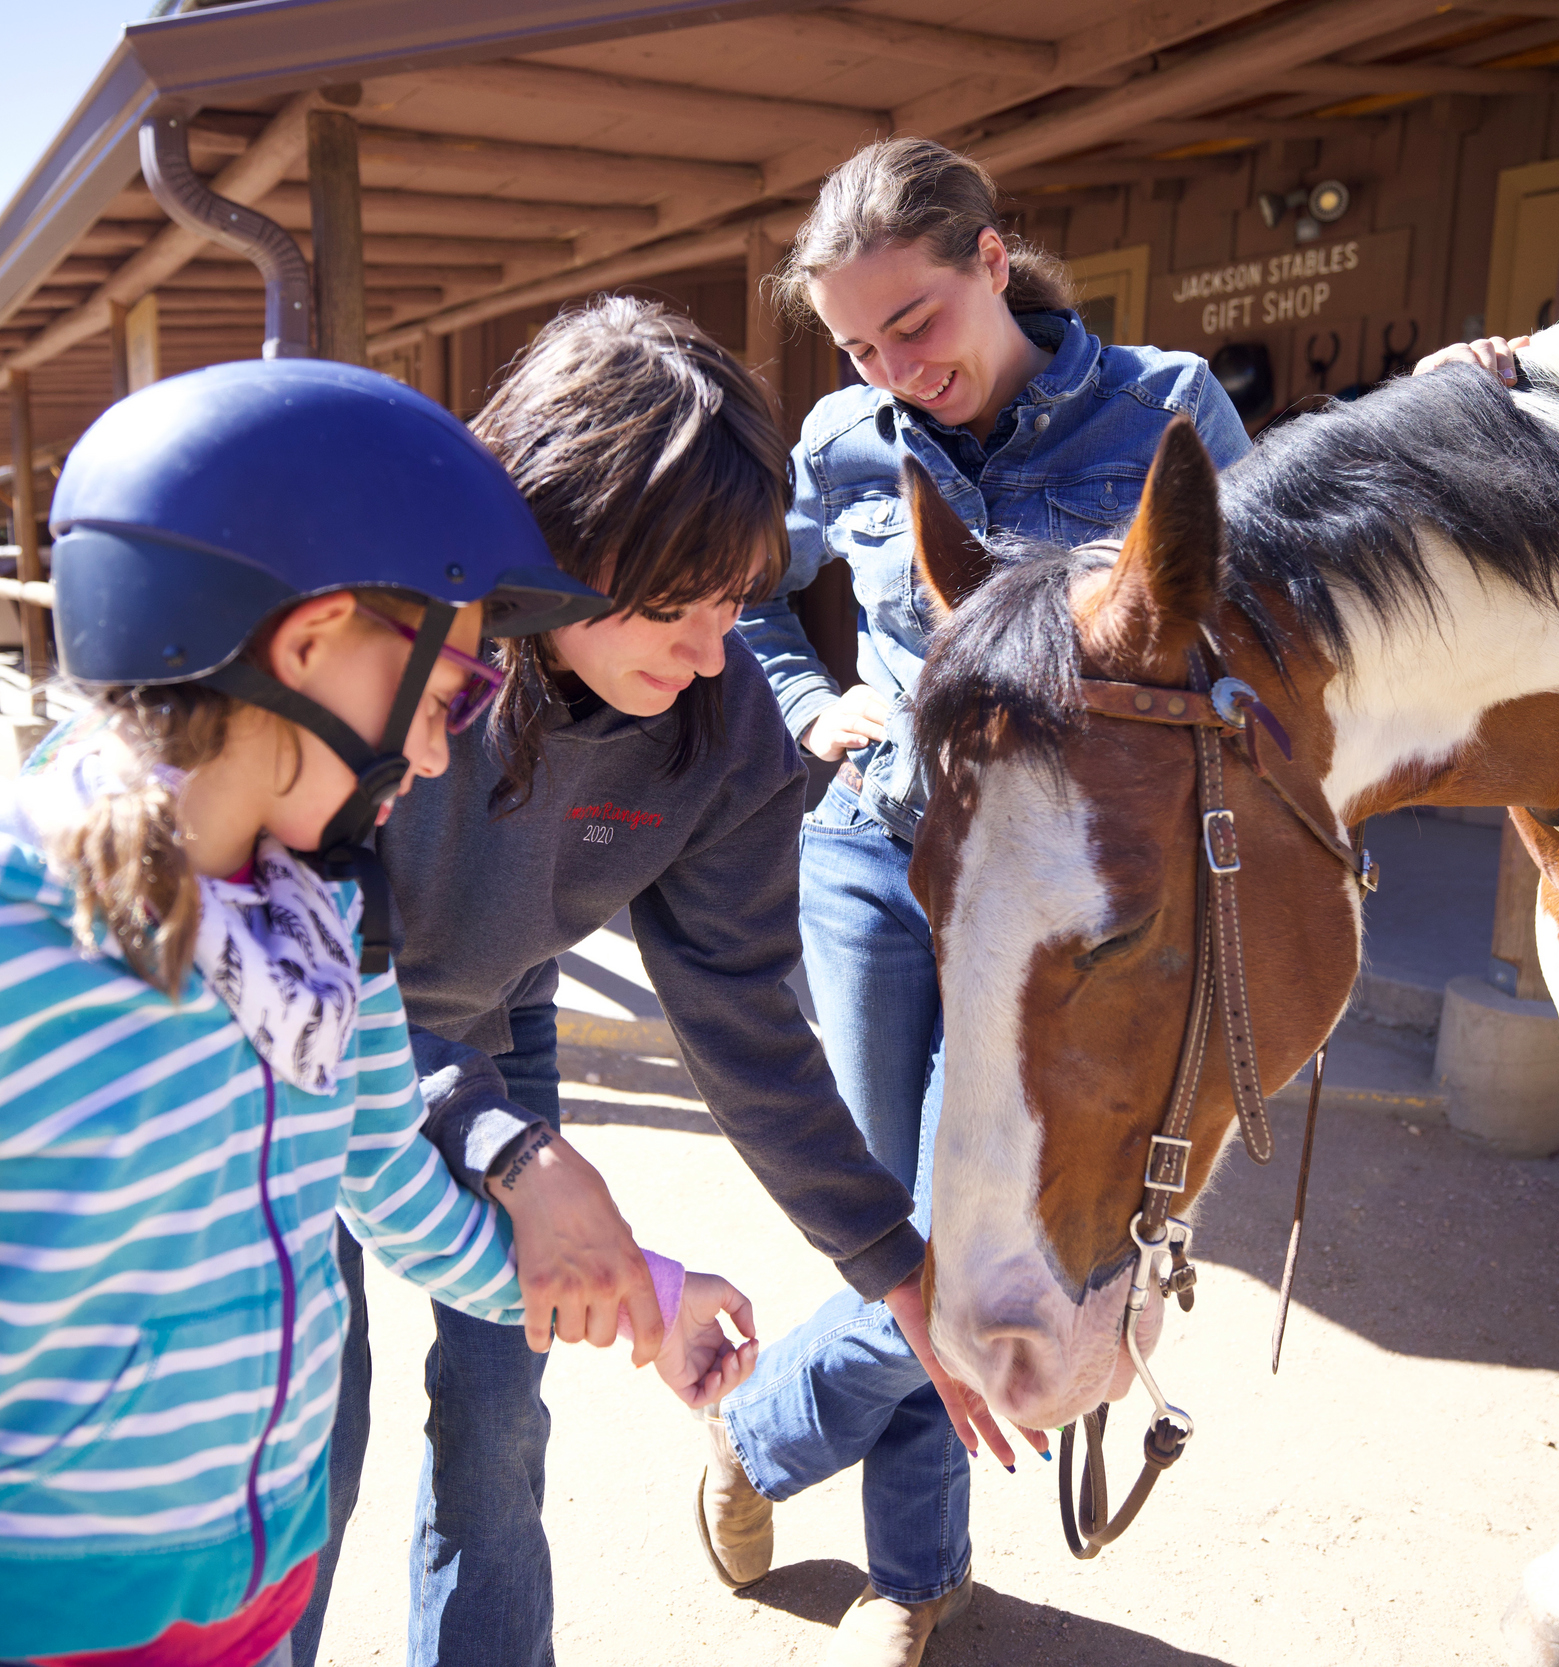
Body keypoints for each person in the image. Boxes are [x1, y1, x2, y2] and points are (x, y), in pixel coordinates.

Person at [0, 360, 755, 1667]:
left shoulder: (319, 923)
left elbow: (384, 1177)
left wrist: (643, 1294)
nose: (439, 754)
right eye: (448, 698)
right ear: (309, 643)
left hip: (254, 1600)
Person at [285, 296, 981, 1667]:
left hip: (496, 1025)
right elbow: (329, 986)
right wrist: (519, 1151)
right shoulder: (401, 681)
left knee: (498, 1420)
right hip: (306, 1050)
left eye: (738, 598)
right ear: (548, 550)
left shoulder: (718, 731)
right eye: (674, 602)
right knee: (314, 1418)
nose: (716, 648)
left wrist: (892, 1265)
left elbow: (744, 1020)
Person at [726, 137, 1255, 1667]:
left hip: (1057, 903)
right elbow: (754, 584)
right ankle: (916, 1574)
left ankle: (755, 1433)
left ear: (992, 261)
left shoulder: (1170, 413)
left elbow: (1285, 574)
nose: (896, 367)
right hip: (875, 861)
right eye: (860, 344)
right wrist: (801, 693)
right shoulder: (841, 437)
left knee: (967, 1251)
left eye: (918, 324)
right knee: (889, 1224)